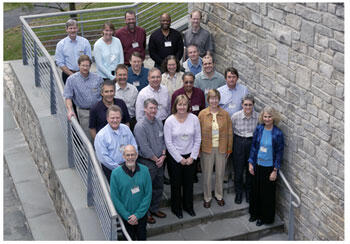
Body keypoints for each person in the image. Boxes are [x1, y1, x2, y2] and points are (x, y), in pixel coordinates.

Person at [164, 95, 201, 219]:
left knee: (189, 184)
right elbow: (168, 142)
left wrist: (192, 157)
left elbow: (197, 139)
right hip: (175, 158)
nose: (182, 107)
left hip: (190, 156)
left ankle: (188, 206)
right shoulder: (169, 121)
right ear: (175, 106)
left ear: (188, 106)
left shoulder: (194, 119)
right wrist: (180, 159)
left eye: (184, 104)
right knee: (176, 184)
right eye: (179, 104)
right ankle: (176, 208)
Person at [248, 106, 284, 226]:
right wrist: (250, 163)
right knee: (255, 191)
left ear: (274, 118)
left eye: (269, 116)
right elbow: (253, 147)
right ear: (262, 117)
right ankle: (254, 214)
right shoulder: (259, 129)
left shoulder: (278, 133)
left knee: (266, 194)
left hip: (269, 168)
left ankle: (264, 218)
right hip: (257, 165)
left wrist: (275, 170)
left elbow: (279, 153)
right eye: (265, 116)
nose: (267, 119)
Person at [134, 98, 167, 224]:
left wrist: (163, 155)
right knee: (146, 189)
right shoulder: (140, 126)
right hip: (147, 162)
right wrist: (156, 159)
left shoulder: (159, 122)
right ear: (145, 109)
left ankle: (155, 209)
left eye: (155, 108)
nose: (153, 110)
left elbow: (163, 140)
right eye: (150, 108)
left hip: (160, 160)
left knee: (159, 186)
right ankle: (146, 213)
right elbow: (144, 147)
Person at [198, 89, 232, 208]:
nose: (214, 100)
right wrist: (198, 149)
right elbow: (198, 133)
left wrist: (229, 148)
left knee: (220, 173)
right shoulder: (202, 114)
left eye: (216, 98)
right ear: (208, 100)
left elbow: (229, 132)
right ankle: (207, 197)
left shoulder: (225, 114)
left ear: (219, 100)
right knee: (206, 174)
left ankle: (219, 195)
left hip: (221, 148)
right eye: (211, 98)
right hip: (206, 149)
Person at [110, 145, 152, 240]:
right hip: (126, 218)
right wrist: (127, 216)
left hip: (141, 216)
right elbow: (115, 198)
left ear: (136, 155)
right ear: (123, 156)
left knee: (142, 238)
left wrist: (137, 215)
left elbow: (148, 194)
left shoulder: (145, 171)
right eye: (127, 155)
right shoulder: (115, 174)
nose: (130, 157)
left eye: (132, 155)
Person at [218, 67, 249, 183]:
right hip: (224, 126)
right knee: (225, 151)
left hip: (239, 126)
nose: (231, 79)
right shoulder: (220, 91)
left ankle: (235, 173)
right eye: (229, 77)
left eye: (234, 77)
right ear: (225, 78)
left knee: (236, 151)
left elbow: (247, 107)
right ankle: (225, 174)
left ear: (237, 78)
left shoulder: (244, 90)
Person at [63, 55, 103, 141]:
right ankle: (90, 154)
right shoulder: (71, 80)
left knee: (101, 135)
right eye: (83, 65)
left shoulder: (98, 78)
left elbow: (104, 94)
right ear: (78, 65)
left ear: (90, 66)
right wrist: (70, 110)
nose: (85, 68)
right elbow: (68, 97)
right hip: (84, 113)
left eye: (87, 65)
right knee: (88, 138)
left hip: (99, 111)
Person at [94, 105, 138, 183]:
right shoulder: (101, 136)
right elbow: (104, 158)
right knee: (117, 192)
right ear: (107, 118)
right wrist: (120, 169)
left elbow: (134, 145)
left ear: (121, 118)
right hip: (112, 170)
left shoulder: (126, 129)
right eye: (112, 118)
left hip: (130, 164)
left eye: (117, 118)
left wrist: (131, 162)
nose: (115, 120)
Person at [231, 94, 258, 204]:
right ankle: (238, 193)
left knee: (250, 170)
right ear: (242, 105)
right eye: (245, 105)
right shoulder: (235, 116)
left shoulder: (258, 117)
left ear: (253, 105)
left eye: (250, 105)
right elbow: (231, 131)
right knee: (238, 170)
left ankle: (248, 193)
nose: (247, 107)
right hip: (239, 142)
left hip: (251, 143)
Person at [55, 19, 92, 84]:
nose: (72, 30)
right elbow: (60, 62)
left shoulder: (85, 42)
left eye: (74, 28)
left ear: (77, 29)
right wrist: (72, 75)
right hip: (68, 75)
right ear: (66, 29)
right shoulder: (61, 44)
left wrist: (83, 72)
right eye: (70, 28)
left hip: (83, 73)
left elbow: (89, 58)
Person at [114, 64, 139, 131]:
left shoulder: (133, 89)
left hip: (132, 121)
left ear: (127, 76)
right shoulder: (112, 90)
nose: (122, 77)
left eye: (124, 75)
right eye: (120, 75)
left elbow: (137, 107)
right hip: (116, 122)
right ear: (116, 76)